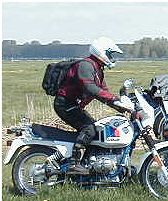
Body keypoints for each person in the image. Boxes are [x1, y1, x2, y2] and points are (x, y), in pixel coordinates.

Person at [50, 36, 133, 174]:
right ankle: (73, 163)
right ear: (101, 52)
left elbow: (103, 93)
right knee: (89, 128)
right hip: (65, 104)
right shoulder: (85, 66)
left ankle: (87, 164)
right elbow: (91, 89)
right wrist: (113, 99)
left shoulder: (97, 69)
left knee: (97, 130)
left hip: (73, 105)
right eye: (110, 54)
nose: (111, 57)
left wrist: (121, 106)